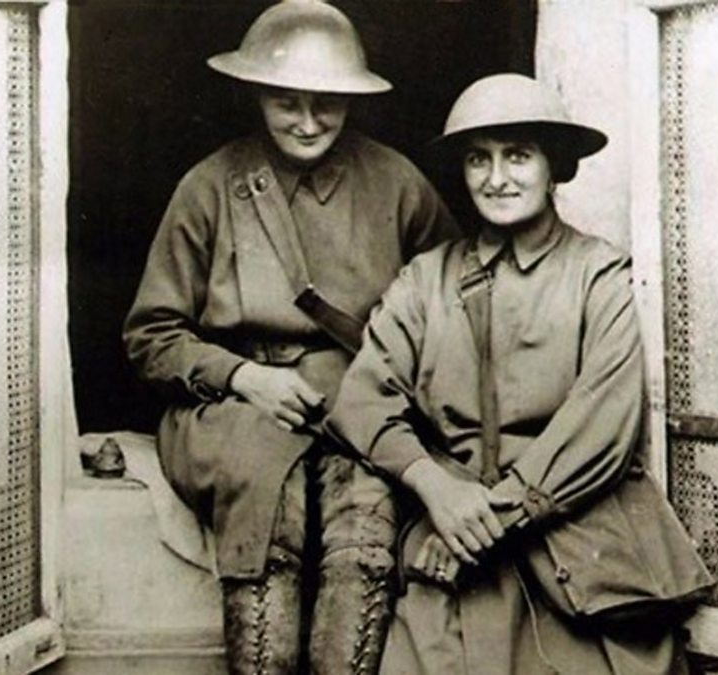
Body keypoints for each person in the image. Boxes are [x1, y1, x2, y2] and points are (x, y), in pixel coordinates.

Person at [326, 73, 714, 674]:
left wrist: (487, 519)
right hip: (452, 539)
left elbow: (601, 429)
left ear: (554, 165)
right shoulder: (425, 280)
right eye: (478, 159)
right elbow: (360, 402)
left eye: (518, 155)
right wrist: (437, 490)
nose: (497, 177)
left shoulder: (598, 275)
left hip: (576, 543)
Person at [123, 2, 455, 673]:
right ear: (256, 96)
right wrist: (245, 378)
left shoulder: (398, 185)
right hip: (232, 407)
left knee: (364, 514)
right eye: (286, 102)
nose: (307, 122)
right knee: (267, 498)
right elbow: (150, 337)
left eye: (325, 103)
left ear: (351, 101)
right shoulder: (210, 187)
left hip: (357, 404)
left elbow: (452, 318)